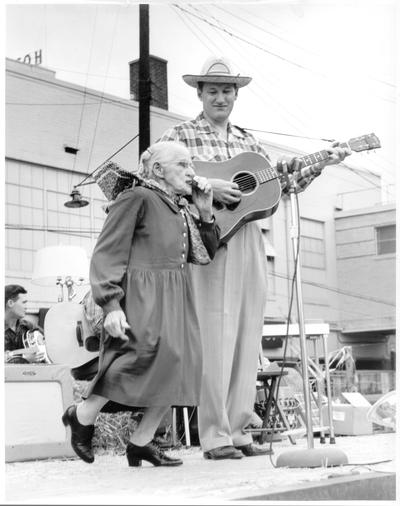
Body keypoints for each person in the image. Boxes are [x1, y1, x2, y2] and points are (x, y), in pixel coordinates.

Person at [158, 56, 351, 460]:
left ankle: (241, 426)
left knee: (248, 334)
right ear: (199, 93)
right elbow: (156, 174)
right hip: (207, 240)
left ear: (236, 95)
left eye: (227, 90)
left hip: (248, 238)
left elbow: (274, 187)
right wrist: (206, 183)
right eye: (212, 90)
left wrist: (316, 164)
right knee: (214, 335)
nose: (220, 97)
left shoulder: (249, 142)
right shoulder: (180, 134)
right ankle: (213, 434)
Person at [62, 141, 220, 467]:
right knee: (132, 358)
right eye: (183, 165)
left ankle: (141, 441)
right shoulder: (136, 197)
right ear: (158, 170)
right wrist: (111, 305)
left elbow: (207, 253)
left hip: (176, 295)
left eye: (192, 165)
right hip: (140, 294)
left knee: (181, 364)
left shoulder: (179, 207)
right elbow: (108, 252)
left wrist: (205, 210)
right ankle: (82, 415)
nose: (192, 172)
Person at [4, 284, 48, 364]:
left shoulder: (26, 325)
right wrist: (23, 358)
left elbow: (46, 338)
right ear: (10, 303)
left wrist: (41, 338)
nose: (26, 307)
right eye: (23, 302)